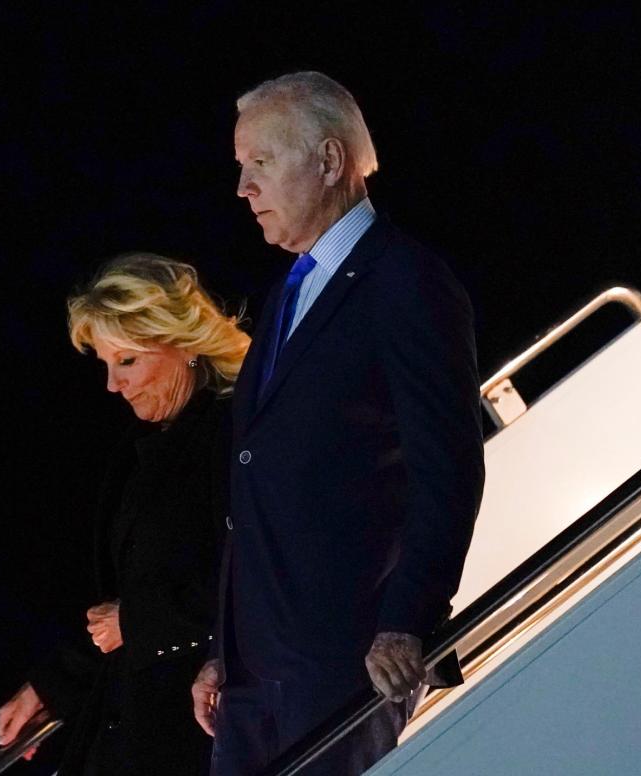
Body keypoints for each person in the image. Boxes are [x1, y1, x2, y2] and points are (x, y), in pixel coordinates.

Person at [192, 72, 486, 774]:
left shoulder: (406, 281)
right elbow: (256, 481)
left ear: (328, 160)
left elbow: (447, 467)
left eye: (259, 163)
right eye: (240, 167)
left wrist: (408, 620)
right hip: (253, 675)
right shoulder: (287, 293)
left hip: (340, 661)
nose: (243, 188)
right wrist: (223, 648)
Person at [0, 253, 250, 775]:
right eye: (106, 364)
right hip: (131, 729)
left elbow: (262, 572)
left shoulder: (236, 434)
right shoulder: (144, 450)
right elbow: (128, 601)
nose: (113, 385)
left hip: (199, 734)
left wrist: (140, 620)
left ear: (182, 344)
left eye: (128, 361)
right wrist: (53, 684)